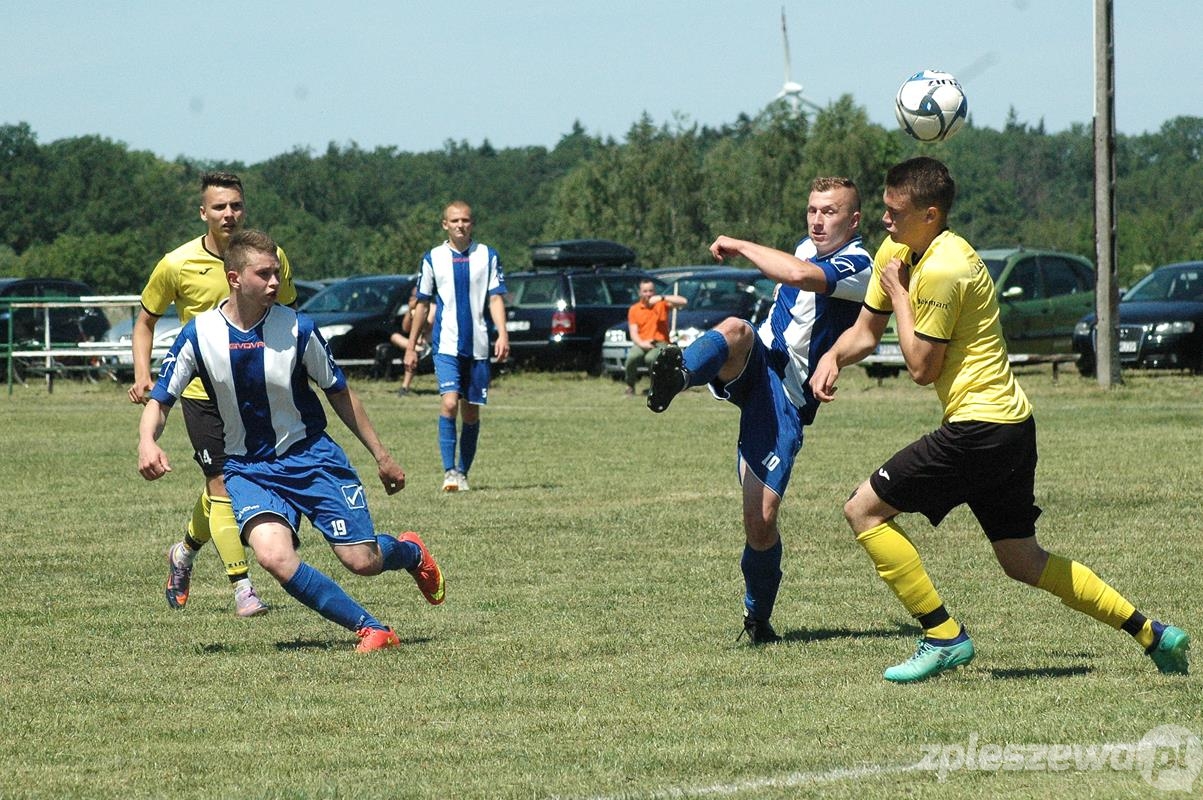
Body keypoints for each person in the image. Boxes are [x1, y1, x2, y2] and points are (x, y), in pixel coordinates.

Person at [810, 156, 1190, 682]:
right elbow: (866, 332)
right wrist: (833, 356)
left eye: (895, 212)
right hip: (1010, 426)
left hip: (979, 429)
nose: (885, 221)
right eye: (884, 209)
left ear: (932, 213)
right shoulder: (898, 249)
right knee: (1022, 560)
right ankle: (1153, 633)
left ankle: (943, 635)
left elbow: (921, 367)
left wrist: (900, 293)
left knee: (863, 511)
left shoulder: (945, 268)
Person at [137, 229, 444, 653]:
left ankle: (408, 552)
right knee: (273, 557)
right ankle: (372, 629)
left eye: (276, 273)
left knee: (362, 562)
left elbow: (339, 391)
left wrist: (382, 455)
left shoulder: (298, 328)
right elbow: (160, 401)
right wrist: (146, 441)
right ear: (234, 278)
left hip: (311, 459)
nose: (274, 283)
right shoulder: (199, 335)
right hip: (248, 469)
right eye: (263, 274)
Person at [646, 176, 872, 644]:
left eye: (829, 212)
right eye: (812, 209)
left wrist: (741, 244)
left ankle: (757, 617)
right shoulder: (803, 247)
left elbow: (801, 278)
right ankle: (678, 375)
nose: (817, 219)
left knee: (761, 520)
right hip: (756, 361)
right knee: (736, 328)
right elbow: (791, 283)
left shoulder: (858, 264)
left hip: (785, 398)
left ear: (854, 220)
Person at [129, 171, 297, 618]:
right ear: (203, 212)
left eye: (236, 205)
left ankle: (183, 551)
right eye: (219, 207)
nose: (229, 214)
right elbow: (145, 320)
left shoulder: (270, 258)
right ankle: (243, 588)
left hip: (255, 393)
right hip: (202, 392)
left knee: (235, 484)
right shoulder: (177, 263)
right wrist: (144, 373)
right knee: (221, 484)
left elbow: (288, 317)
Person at [404, 201, 509, 493]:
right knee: (449, 403)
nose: (460, 225)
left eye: (465, 220)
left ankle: (463, 472)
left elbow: (496, 298)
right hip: (446, 345)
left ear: (472, 224)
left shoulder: (487, 255)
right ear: (445, 225)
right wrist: (411, 347)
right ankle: (449, 472)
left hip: (478, 346)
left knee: (471, 412)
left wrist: (502, 333)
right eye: (454, 220)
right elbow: (422, 304)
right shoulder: (433, 258)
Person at [623, 279, 687, 396]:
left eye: (651, 291)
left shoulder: (661, 304)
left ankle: (656, 387)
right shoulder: (634, 309)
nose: (648, 294)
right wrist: (642, 344)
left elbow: (683, 301)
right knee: (632, 357)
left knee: (651, 359)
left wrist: (662, 298)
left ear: (654, 292)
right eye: (645, 291)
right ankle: (630, 386)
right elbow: (633, 333)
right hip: (642, 342)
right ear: (640, 293)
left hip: (660, 342)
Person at [374, 284, 435, 396]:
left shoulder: (432, 307)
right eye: (412, 296)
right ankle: (416, 348)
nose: (414, 298)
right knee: (394, 336)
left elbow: (427, 327)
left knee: (413, 352)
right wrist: (410, 310)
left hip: (428, 342)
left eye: (416, 295)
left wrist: (420, 314)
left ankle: (405, 386)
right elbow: (405, 328)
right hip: (414, 343)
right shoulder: (412, 309)